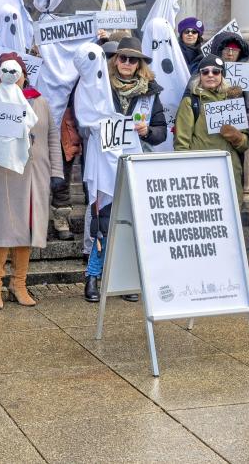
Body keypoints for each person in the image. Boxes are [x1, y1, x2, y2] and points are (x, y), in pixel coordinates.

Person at [78, 38, 168, 302]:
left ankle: (125, 278)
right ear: (114, 60)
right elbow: (86, 118)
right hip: (106, 163)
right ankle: (93, 276)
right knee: (102, 222)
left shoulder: (150, 92)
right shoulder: (100, 85)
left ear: (140, 64)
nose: (127, 63)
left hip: (135, 162)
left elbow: (161, 130)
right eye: (122, 58)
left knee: (132, 222)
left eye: (133, 59)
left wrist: (148, 131)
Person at [0, 54, 61, 309]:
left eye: (18, 72)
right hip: (4, 173)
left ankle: (19, 283)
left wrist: (56, 172)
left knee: (27, 228)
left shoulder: (41, 102)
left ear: (24, 75)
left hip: (34, 175)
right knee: (3, 228)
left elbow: (52, 138)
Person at [174, 54, 249, 190]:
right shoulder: (191, 102)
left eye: (215, 71)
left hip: (229, 169)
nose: (210, 75)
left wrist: (237, 138)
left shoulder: (232, 102)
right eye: (205, 72)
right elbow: (181, 144)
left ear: (222, 75)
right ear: (200, 76)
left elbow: (245, 145)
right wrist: (185, 170)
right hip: (201, 171)